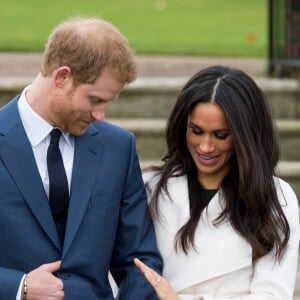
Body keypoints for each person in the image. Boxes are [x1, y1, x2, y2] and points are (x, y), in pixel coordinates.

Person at [0, 16, 162, 299]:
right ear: (62, 77)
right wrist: (19, 287)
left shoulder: (118, 147)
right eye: (95, 100)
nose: (101, 115)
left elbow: (139, 260)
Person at [134, 65, 300, 299]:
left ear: (246, 136)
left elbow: (273, 295)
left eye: (221, 135)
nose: (205, 147)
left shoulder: (275, 198)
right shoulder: (150, 187)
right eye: (196, 131)